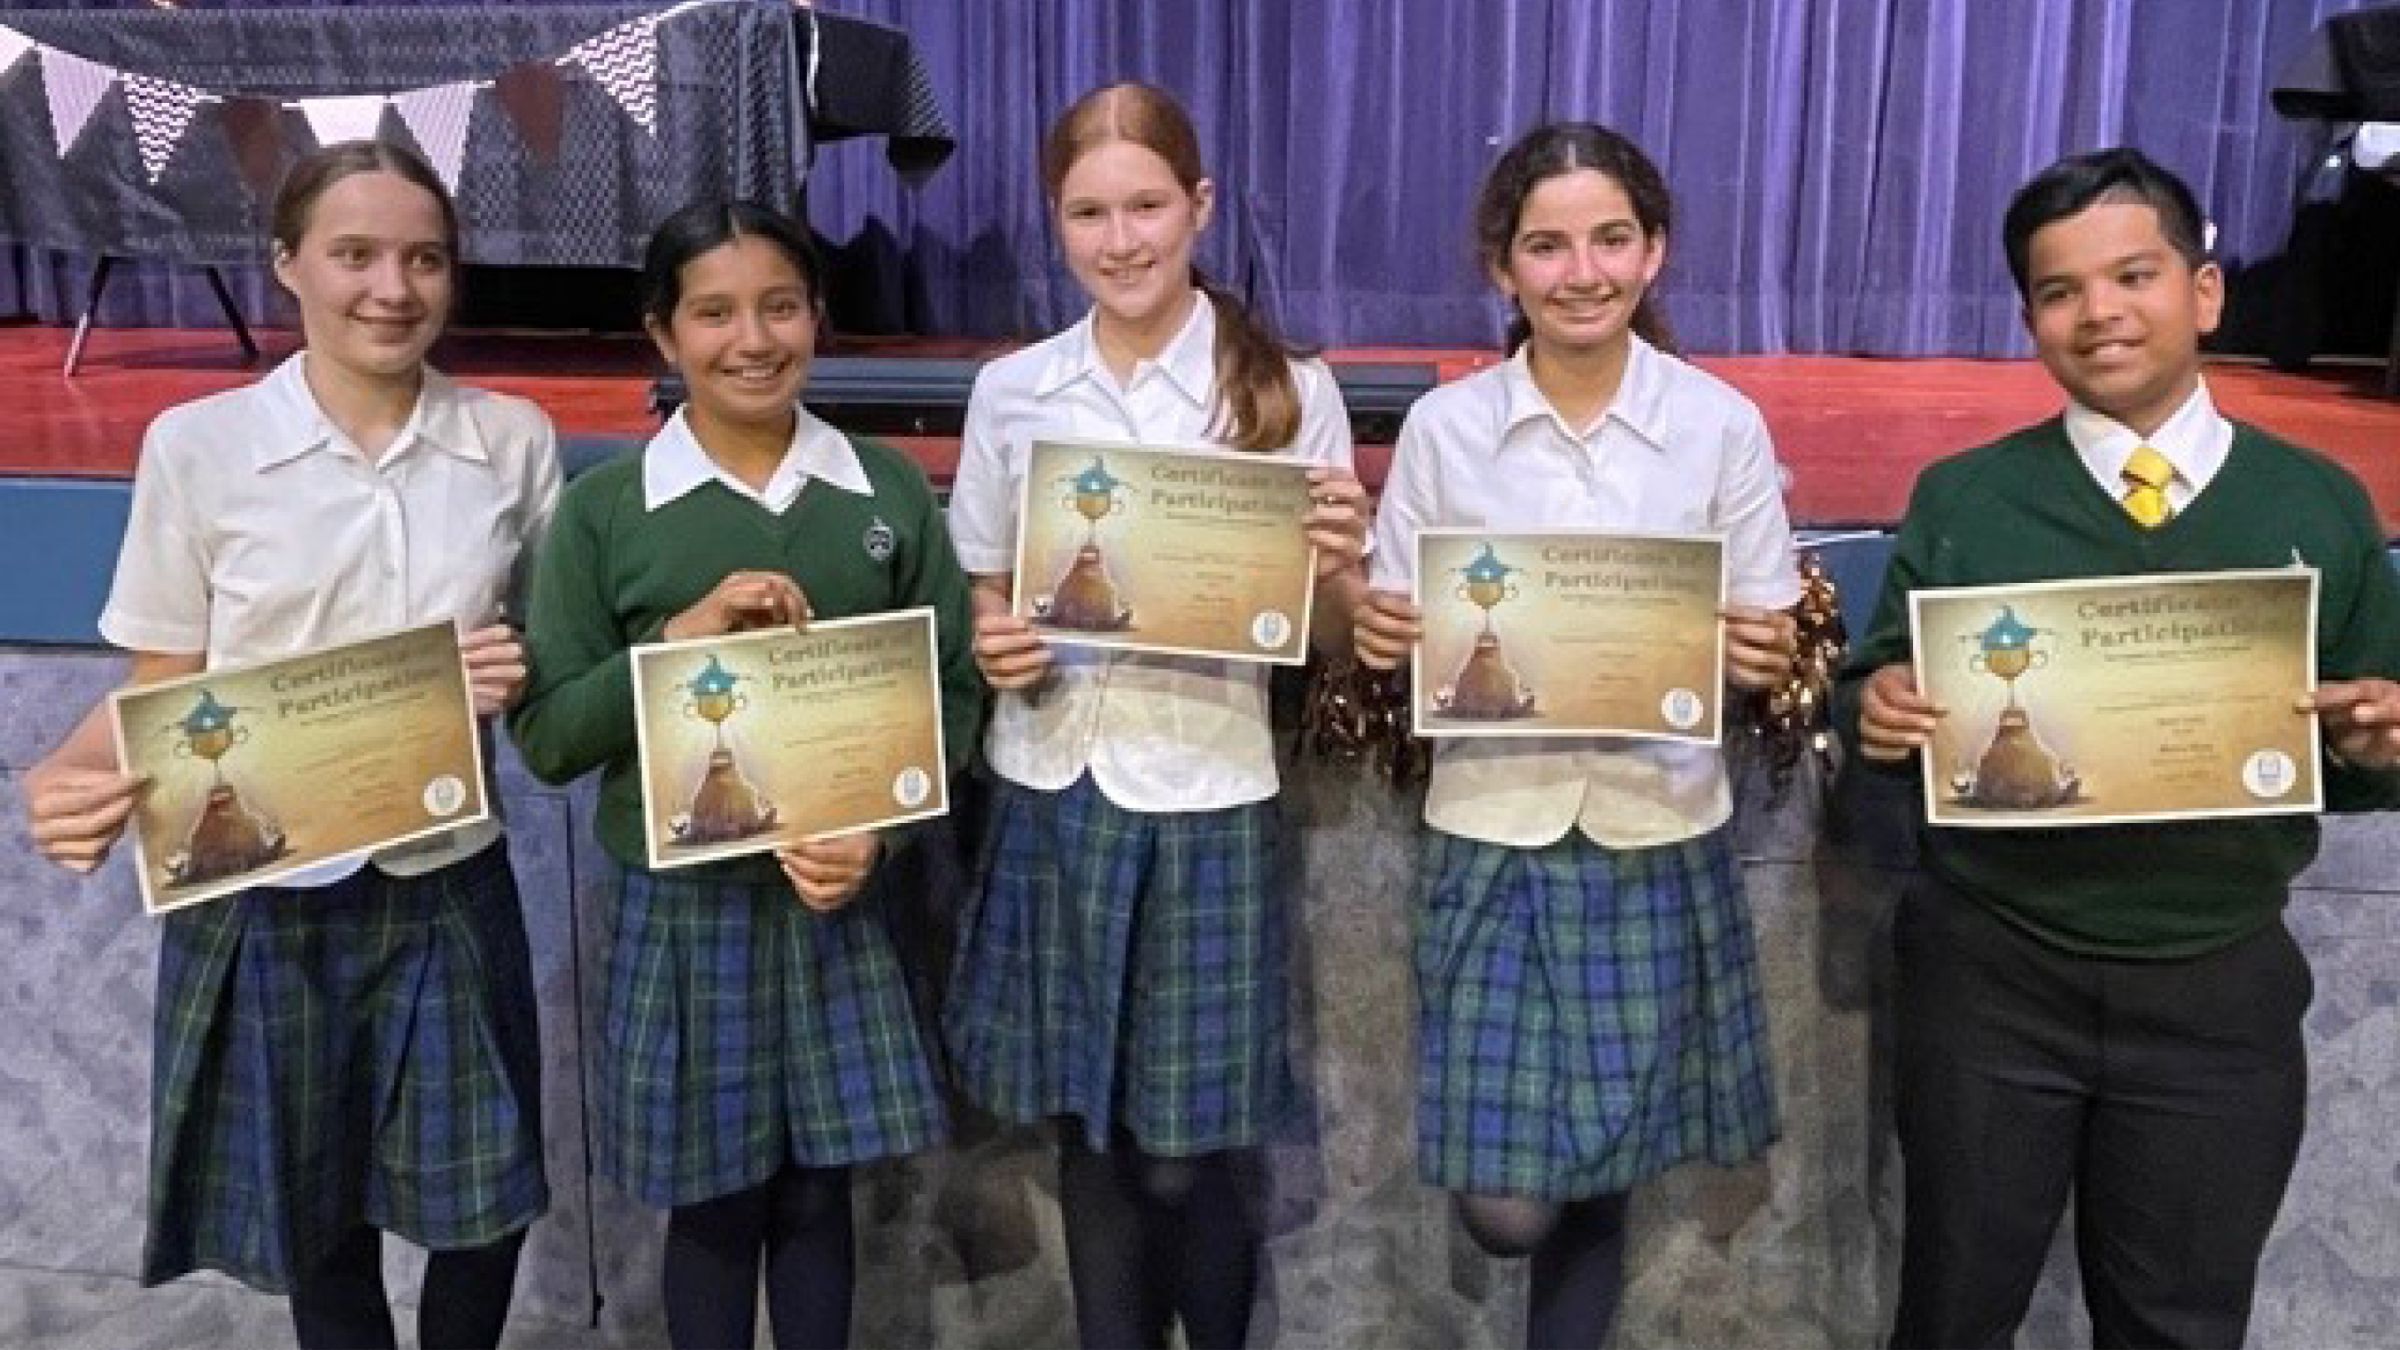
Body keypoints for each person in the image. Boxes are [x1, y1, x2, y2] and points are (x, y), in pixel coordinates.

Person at [1840, 146, 2400, 1350]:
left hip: (2218, 986)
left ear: (2206, 292)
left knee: (2180, 1325)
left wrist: (2379, 742)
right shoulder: (1965, 498)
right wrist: (1874, 710)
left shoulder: (2318, 504)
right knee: (1950, 1315)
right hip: (1991, 973)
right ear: (2030, 320)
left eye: (2134, 276)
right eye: (2060, 290)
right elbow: (1872, 692)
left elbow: (2369, 750)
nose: (2098, 312)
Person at [22, 140, 557, 1350]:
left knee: (486, 1202)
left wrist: (514, 667)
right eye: (354, 254)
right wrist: (65, 774)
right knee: (317, 1210)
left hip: (447, 872)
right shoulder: (198, 445)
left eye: (425, 259)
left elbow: (546, 650)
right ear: (287, 264)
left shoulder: (511, 438)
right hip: (265, 884)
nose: (392, 289)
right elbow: (166, 681)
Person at [1352, 121, 1800, 1350]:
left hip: (1655, 823)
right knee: (1506, 1207)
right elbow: (1398, 619)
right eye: (1546, 246)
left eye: (1611, 240)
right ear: (1501, 267)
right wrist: (1382, 632)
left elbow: (1765, 623)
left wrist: (1756, 659)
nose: (1582, 272)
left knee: (1607, 1158)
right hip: (1491, 825)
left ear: (1655, 250)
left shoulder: (1719, 425)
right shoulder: (1447, 430)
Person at [939, 81, 1369, 1350]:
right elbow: (981, 586)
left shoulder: (1285, 392)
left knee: (1189, 1151)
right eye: (1089, 214)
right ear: (1055, 220)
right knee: (1093, 1132)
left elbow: (1332, 643)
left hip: (1205, 787)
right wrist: (994, 639)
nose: (1120, 241)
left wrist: (1339, 569)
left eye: (1146, 208)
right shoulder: (1015, 390)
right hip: (1054, 781)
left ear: (1200, 206)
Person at [507, 198, 980, 1350]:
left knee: (819, 1194)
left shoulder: (885, 491)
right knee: (713, 1207)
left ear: (817, 316)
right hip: (684, 913)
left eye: (780, 307)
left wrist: (880, 836)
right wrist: (673, 646)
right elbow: (552, 737)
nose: (753, 340)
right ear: (662, 334)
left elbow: (953, 697)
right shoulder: (605, 513)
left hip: (839, 902)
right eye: (714, 314)